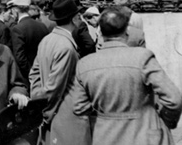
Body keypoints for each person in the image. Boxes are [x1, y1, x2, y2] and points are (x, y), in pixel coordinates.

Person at [73, 8, 182, 145]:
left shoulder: (84, 64)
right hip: (146, 135)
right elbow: (173, 99)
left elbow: (79, 107)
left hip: (106, 137)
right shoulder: (142, 57)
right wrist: (167, 121)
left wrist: (104, 113)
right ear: (126, 31)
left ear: (100, 31)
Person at [29, 0, 91, 145]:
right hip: (64, 115)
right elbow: (55, 87)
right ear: (75, 18)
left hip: (51, 111)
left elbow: (34, 75)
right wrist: (44, 114)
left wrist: (38, 101)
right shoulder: (66, 47)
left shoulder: (47, 39)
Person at [8, 0, 49, 82]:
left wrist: (31, 74)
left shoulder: (17, 29)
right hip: (45, 71)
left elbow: (20, 58)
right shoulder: (42, 25)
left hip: (29, 76)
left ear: (15, 10)